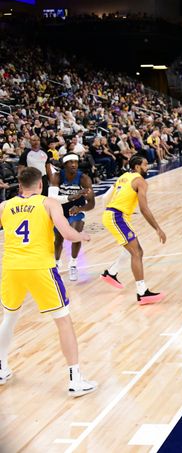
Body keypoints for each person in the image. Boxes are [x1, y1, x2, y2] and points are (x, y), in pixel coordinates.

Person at [0, 167, 97, 397]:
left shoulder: (5, 206)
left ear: (19, 186)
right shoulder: (48, 203)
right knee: (63, 320)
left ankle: (1, 367)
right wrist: (83, 236)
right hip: (41, 268)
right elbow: (68, 234)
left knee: (9, 318)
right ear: (40, 185)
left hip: (12, 268)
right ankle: (75, 379)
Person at [99, 155, 165, 305]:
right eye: (145, 164)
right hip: (117, 216)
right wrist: (157, 228)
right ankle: (142, 293)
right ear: (137, 167)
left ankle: (111, 273)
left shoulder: (123, 177)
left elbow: (105, 197)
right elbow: (144, 208)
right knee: (137, 252)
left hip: (114, 215)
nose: (147, 167)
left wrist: (107, 213)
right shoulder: (140, 181)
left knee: (131, 249)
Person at [49, 154, 95, 281]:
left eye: (76, 162)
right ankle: (56, 264)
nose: (74, 164)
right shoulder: (57, 177)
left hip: (76, 210)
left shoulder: (84, 179)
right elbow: (51, 198)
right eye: (70, 162)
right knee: (58, 240)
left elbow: (92, 204)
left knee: (76, 233)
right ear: (64, 165)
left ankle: (73, 264)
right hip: (59, 210)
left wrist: (80, 208)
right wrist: (72, 197)